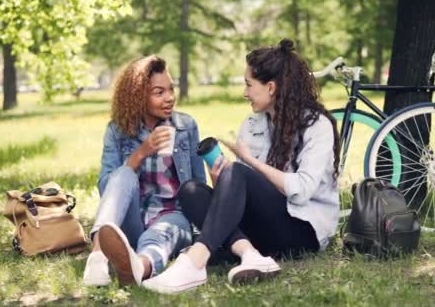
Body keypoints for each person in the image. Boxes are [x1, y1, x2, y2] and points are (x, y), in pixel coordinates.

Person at [142, 39, 341, 294]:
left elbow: (301, 190)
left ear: (271, 87)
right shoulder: (252, 124)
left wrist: (250, 162)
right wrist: (219, 182)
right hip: (262, 229)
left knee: (237, 171)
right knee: (191, 190)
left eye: (249, 84)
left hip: (302, 232)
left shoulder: (317, 125)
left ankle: (196, 260)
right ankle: (251, 255)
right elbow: (240, 192)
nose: (245, 93)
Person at [82, 55, 206, 287]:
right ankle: (97, 256)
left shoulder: (185, 126)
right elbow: (106, 187)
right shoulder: (117, 130)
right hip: (132, 220)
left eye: (171, 89)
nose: (169, 98)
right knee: (123, 174)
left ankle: (139, 267)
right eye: (159, 92)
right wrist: (141, 153)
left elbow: (197, 186)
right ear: (138, 96)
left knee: (157, 236)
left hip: (173, 217)